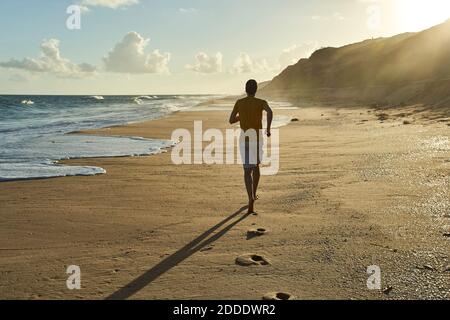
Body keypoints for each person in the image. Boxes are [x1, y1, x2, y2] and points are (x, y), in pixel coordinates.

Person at [229, 79, 273, 213]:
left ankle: (250, 198)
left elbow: (231, 120)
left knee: (247, 171)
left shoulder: (239, 102)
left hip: (244, 139)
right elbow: (270, 112)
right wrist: (268, 129)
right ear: (256, 90)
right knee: (256, 166)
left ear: (245, 89)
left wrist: (241, 116)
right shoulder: (261, 102)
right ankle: (254, 193)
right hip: (257, 138)